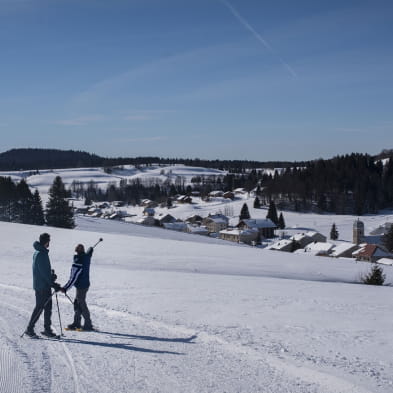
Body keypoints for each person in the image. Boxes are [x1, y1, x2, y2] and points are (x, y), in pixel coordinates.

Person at [25, 233, 61, 338]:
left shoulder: (38, 252)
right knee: (40, 308)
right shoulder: (41, 254)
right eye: (49, 240)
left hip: (42, 284)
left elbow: (43, 271)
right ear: (46, 241)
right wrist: (52, 283)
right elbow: (44, 273)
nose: (49, 243)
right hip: (42, 286)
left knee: (47, 307)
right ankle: (30, 329)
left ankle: (47, 329)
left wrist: (51, 276)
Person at [62, 244, 94, 331]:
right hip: (84, 284)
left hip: (81, 285)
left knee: (81, 304)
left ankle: (88, 324)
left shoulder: (78, 260)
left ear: (76, 251)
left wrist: (65, 288)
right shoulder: (86, 257)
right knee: (77, 302)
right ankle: (77, 323)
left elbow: (74, 277)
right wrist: (90, 250)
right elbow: (88, 254)